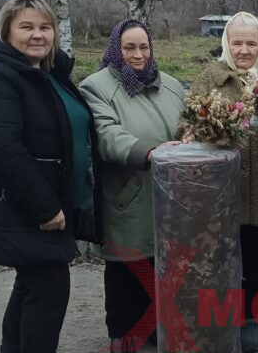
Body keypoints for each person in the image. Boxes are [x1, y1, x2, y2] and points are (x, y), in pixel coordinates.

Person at [0, 0, 97, 353]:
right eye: (26, 27)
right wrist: (45, 208)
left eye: (45, 27)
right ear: (6, 31)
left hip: (53, 202)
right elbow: (3, 149)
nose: (37, 35)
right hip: (27, 207)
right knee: (50, 288)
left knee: (31, 285)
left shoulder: (48, 73)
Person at [79, 19, 185, 353]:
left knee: (163, 269)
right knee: (128, 269)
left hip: (170, 195)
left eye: (143, 47)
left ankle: (155, 331)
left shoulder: (170, 85)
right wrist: (149, 152)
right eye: (129, 48)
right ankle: (124, 336)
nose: (138, 55)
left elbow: (188, 123)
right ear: (115, 49)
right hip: (128, 194)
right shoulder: (96, 87)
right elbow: (107, 133)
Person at [188, 12, 258, 352]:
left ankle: (250, 319)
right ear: (226, 42)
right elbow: (188, 124)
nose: (243, 50)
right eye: (237, 42)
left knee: (255, 255)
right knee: (218, 257)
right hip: (221, 193)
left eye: (251, 43)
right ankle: (218, 319)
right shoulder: (210, 77)